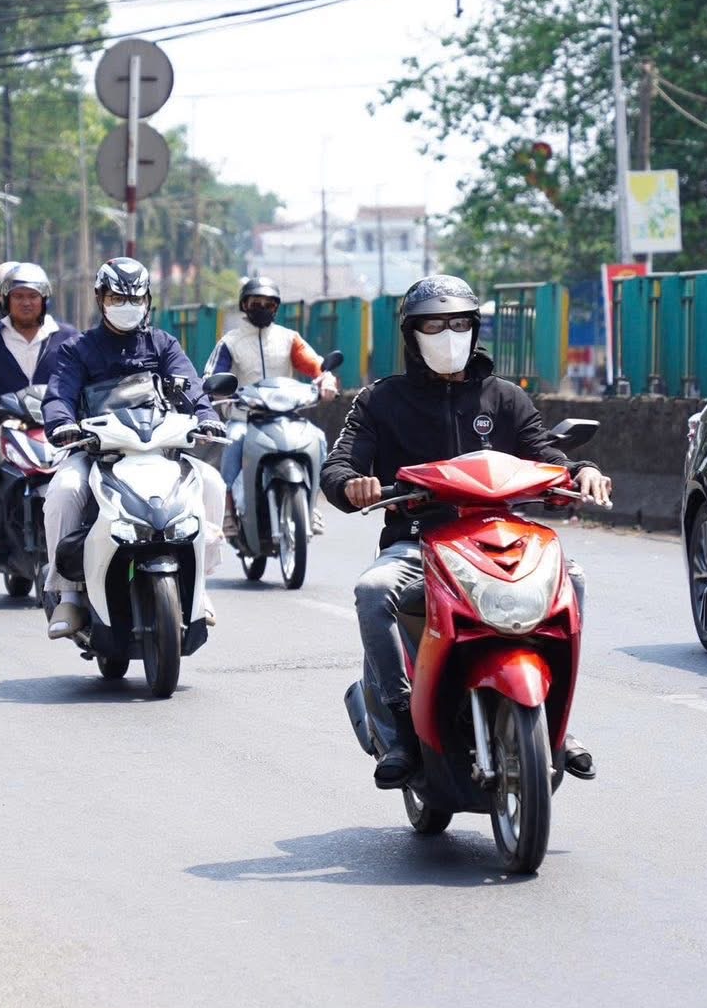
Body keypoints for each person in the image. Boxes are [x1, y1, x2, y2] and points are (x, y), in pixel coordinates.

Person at [321, 274, 610, 788]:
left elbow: (546, 454)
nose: (448, 334)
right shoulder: (380, 401)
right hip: (419, 542)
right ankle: (401, 725)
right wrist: (352, 485)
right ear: (412, 335)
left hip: (502, 539)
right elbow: (339, 464)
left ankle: (558, 725)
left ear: (476, 330)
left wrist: (580, 470)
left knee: (575, 578)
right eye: (435, 325)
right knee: (373, 591)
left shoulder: (505, 397)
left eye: (459, 324)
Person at [40, 257, 227, 639]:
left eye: (134, 298)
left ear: (147, 300)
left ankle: (200, 588)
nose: (126, 305)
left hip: (158, 449)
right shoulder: (78, 349)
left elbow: (191, 387)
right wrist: (61, 424)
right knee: (63, 493)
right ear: (100, 298)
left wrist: (207, 416)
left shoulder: (163, 344)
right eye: (116, 297)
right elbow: (58, 395)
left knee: (211, 482)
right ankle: (68, 595)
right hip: (97, 452)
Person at [0, 262, 79, 566]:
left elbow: (87, 378)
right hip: (2, 421)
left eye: (33, 296)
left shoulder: (68, 338)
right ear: (5, 301)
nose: (26, 302)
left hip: (57, 423)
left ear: (44, 301)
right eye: (18, 296)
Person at [203, 276, 338, 538]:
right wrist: (215, 392)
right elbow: (211, 376)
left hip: (285, 415)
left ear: (276, 308)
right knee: (233, 440)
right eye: (256, 303)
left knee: (318, 438)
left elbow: (317, 367)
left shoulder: (289, 339)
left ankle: (310, 506)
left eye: (269, 304)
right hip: (245, 416)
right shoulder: (230, 342)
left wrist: (327, 380)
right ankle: (229, 510)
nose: (262, 308)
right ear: (245, 305)